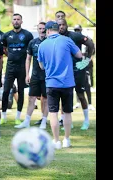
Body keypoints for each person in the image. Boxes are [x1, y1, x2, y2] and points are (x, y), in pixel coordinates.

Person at [37, 21, 82, 149]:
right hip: (67, 82)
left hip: (51, 83)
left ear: (47, 31)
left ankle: (56, 141)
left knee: (53, 113)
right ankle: (66, 140)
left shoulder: (42, 44)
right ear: (58, 29)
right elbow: (79, 55)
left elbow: (41, 66)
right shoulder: (67, 40)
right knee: (67, 113)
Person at [57, 19, 95, 130]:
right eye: (59, 25)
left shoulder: (75, 36)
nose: (61, 27)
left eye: (63, 25)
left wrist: (86, 60)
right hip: (64, 71)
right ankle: (68, 122)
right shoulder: (56, 38)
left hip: (78, 70)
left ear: (67, 25)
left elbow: (90, 43)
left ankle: (86, 121)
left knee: (81, 95)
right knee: (64, 96)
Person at [0, 13, 34, 125]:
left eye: (18, 19)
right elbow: (4, 48)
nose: (16, 21)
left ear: (21, 21)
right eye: (14, 19)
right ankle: (3, 116)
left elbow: (31, 51)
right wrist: (10, 55)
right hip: (10, 66)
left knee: (20, 91)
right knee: (5, 91)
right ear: (12, 21)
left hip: (22, 67)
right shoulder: (6, 35)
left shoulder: (28, 35)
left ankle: (18, 117)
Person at [15, 22, 48, 129]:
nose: (42, 30)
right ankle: (26, 121)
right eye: (40, 28)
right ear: (37, 30)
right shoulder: (32, 42)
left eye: (44, 28)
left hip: (47, 76)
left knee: (45, 99)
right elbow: (28, 59)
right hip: (35, 75)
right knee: (31, 98)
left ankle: (44, 121)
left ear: (47, 30)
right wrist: (27, 74)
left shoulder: (50, 42)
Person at [73, 24, 96, 111]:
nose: (77, 32)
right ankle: (78, 102)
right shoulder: (73, 40)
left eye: (78, 30)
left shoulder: (86, 39)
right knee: (76, 83)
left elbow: (92, 48)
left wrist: (87, 59)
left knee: (87, 84)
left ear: (81, 30)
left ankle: (90, 103)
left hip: (86, 64)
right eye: (75, 30)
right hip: (77, 64)